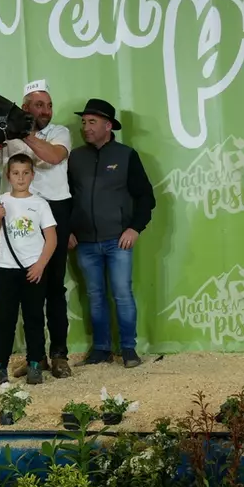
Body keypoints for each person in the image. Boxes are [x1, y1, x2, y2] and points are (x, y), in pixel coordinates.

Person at [0, 79, 73, 379]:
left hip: (54, 208)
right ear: (25, 107)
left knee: (53, 285)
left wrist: (24, 135)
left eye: (49, 105)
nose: (46, 110)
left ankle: (59, 355)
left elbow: (54, 157)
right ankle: (35, 359)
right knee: (25, 293)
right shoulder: (9, 141)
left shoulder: (60, 133)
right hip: (16, 212)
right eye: (38, 105)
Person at [66, 99, 156, 368]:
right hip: (84, 242)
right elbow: (66, 197)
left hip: (118, 241)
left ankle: (128, 349)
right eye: (84, 122)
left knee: (121, 294)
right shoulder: (75, 158)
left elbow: (145, 197)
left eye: (92, 122)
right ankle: (101, 349)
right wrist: (68, 229)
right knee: (95, 296)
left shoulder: (126, 155)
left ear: (108, 125)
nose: (86, 127)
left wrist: (135, 228)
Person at [0, 153, 58, 385]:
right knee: (5, 319)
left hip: (32, 270)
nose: (21, 178)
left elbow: (51, 239)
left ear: (32, 176)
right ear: (8, 176)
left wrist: (40, 265)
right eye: (16, 173)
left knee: (34, 317)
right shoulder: (0, 202)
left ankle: (35, 363)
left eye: (25, 173)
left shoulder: (40, 204)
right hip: (5, 268)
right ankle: (0, 366)